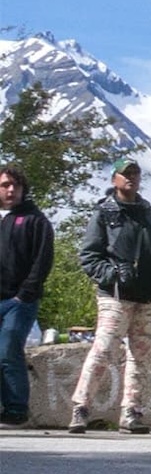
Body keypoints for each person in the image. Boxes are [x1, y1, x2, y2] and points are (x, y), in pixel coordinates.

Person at [72, 158, 151, 434]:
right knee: (103, 349)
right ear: (114, 179)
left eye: (135, 173)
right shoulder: (104, 213)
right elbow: (89, 255)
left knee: (138, 355)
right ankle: (81, 407)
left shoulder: (149, 212)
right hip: (115, 296)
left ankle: (131, 412)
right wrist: (112, 275)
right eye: (125, 173)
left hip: (149, 294)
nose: (131, 178)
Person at [0, 169, 50, 428]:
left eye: (16, 186)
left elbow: (42, 261)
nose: (11, 190)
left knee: (8, 346)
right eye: (5, 185)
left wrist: (24, 295)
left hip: (18, 301)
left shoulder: (35, 220)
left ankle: (16, 408)